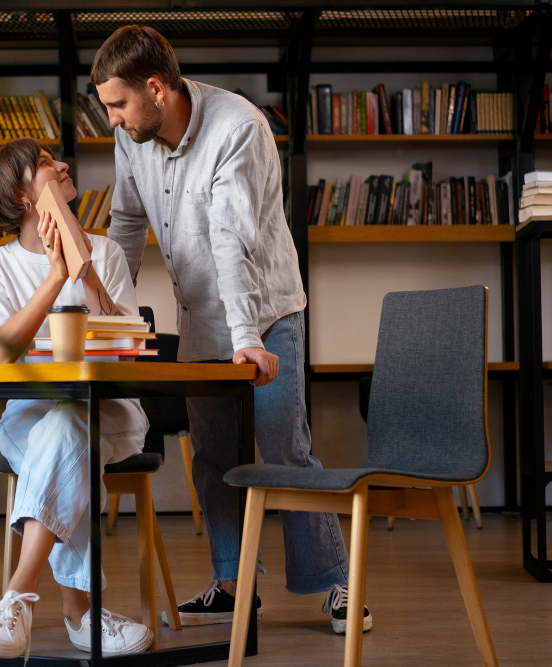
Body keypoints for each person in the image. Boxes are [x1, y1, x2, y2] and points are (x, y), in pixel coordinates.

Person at [92, 26, 372, 634]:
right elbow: (128, 226)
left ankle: (336, 586)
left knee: (286, 450)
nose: (112, 120)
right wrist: (108, 318)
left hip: (265, 314)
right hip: (198, 316)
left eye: (118, 105)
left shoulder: (237, 127)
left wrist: (247, 339)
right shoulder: (135, 139)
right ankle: (230, 582)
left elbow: (231, 242)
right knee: (214, 457)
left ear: (157, 89)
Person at [0, 137, 154, 659]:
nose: (64, 165)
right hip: (26, 419)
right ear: (21, 194)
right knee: (59, 432)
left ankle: (16, 596)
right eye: (48, 164)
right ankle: (83, 618)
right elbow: (1, 354)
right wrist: (55, 277)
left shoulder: (109, 251)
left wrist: (86, 270)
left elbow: (130, 343)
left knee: (68, 425)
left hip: (111, 415)